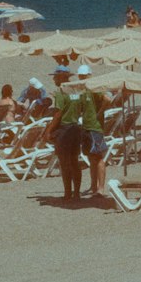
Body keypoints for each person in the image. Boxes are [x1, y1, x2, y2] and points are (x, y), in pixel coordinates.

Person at [44, 63, 84, 204]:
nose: (54, 79)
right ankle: (77, 193)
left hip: (65, 129)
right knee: (74, 161)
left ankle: (68, 193)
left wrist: (48, 131)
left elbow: (58, 114)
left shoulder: (61, 92)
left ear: (61, 77)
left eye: (55, 77)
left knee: (64, 163)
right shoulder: (76, 91)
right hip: (76, 128)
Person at [75, 63, 110, 198]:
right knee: (91, 157)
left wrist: (99, 113)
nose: (82, 78)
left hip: (95, 128)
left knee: (99, 157)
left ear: (89, 76)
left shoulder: (95, 88)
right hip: (86, 127)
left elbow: (108, 99)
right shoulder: (83, 91)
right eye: (81, 76)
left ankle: (100, 188)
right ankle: (93, 186)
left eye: (84, 76)